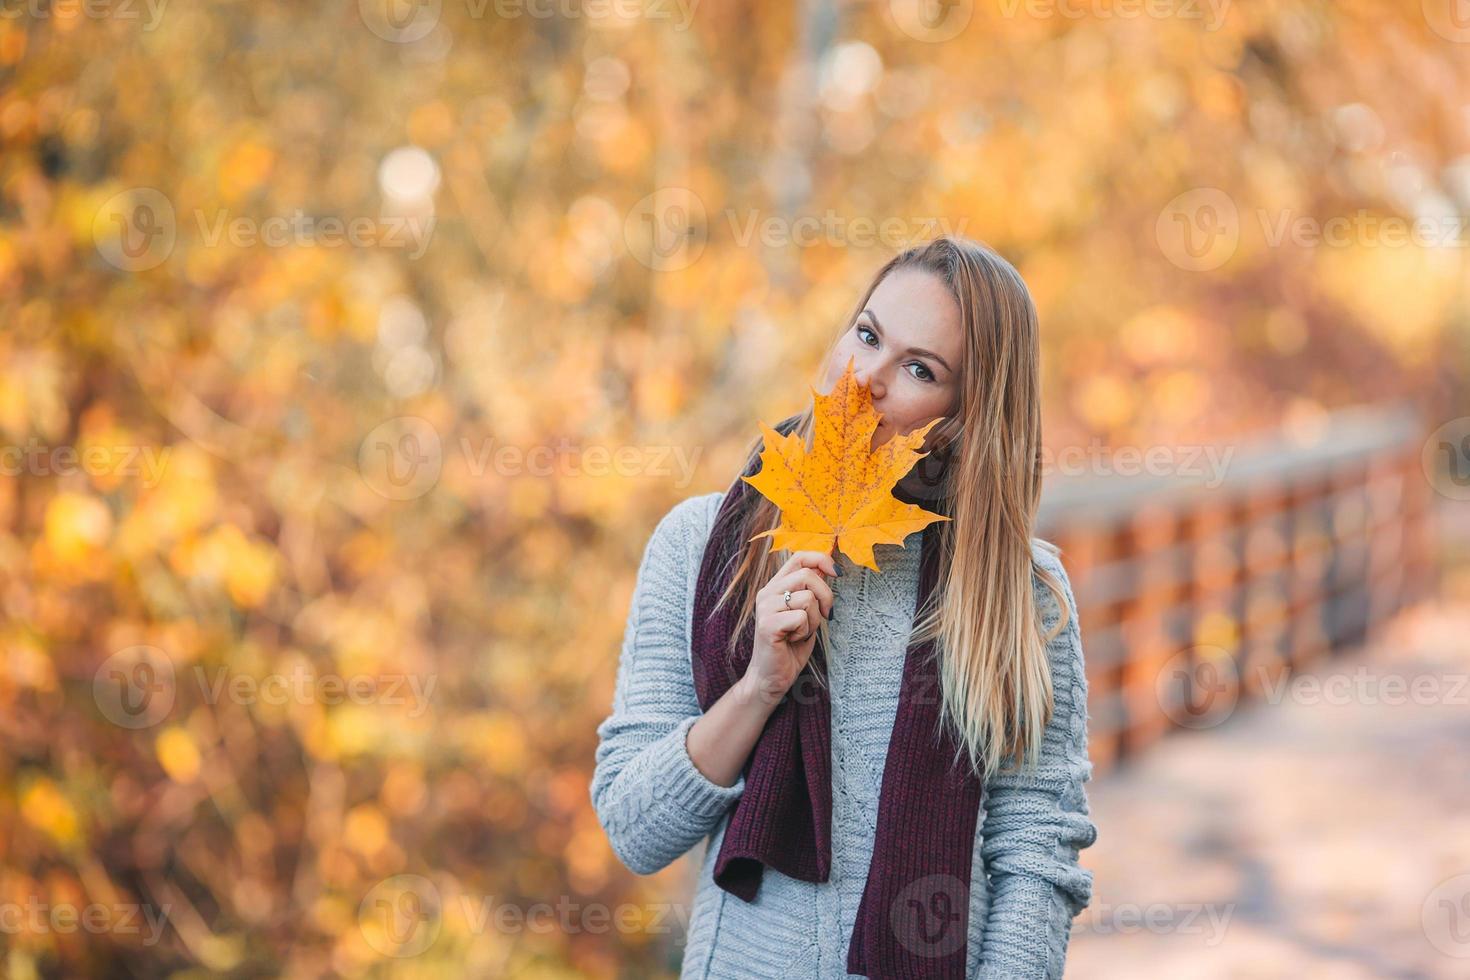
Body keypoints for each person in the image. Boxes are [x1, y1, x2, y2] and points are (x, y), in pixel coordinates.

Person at [591, 236, 1097, 979]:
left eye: (920, 369)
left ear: (966, 415)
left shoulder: (1017, 594)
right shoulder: (700, 543)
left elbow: (1036, 853)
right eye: (867, 335)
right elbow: (635, 831)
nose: (866, 379)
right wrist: (759, 686)